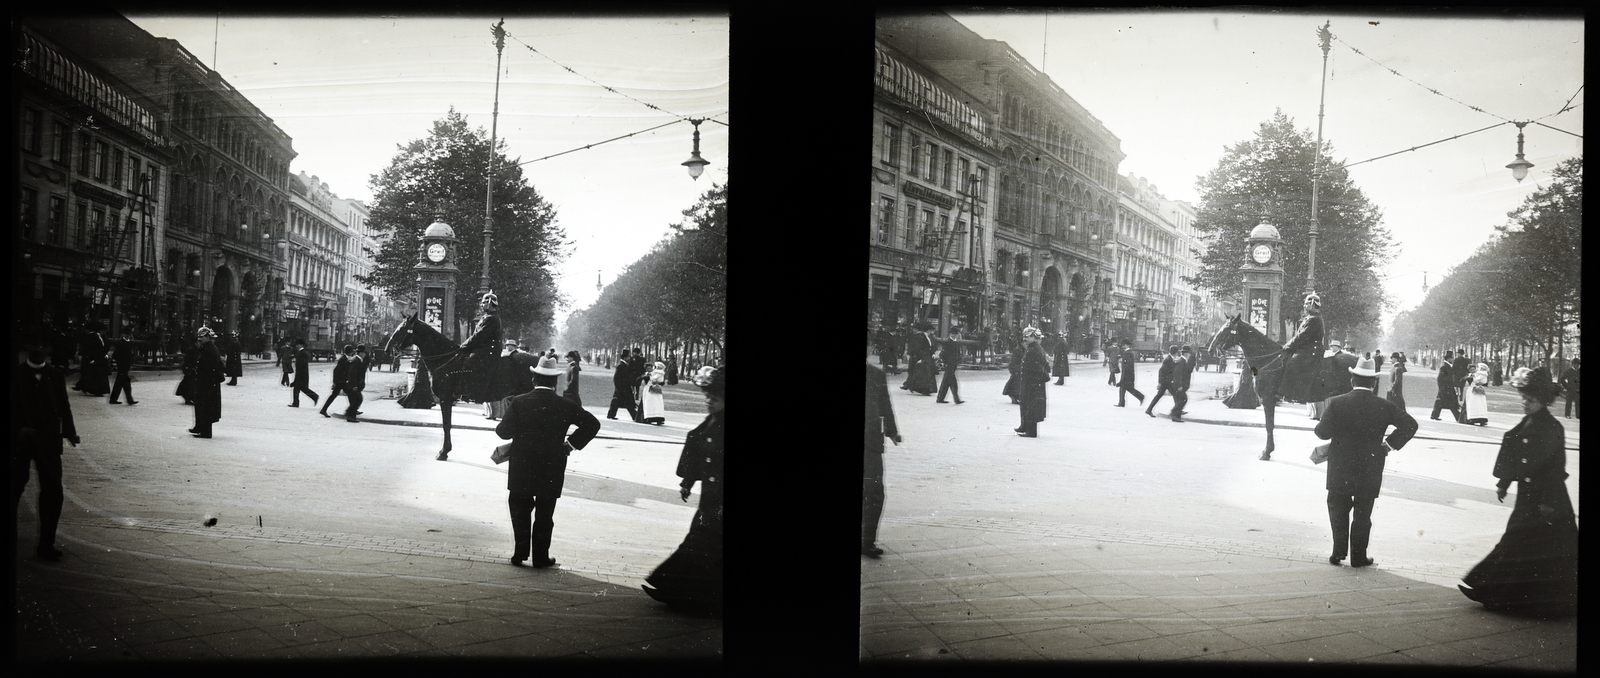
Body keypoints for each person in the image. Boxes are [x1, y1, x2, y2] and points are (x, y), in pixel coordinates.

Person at [1457, 366, 1576, 617]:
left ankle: (1498, 593)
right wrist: (1504, 482)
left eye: (1529, 399)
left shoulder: (1553, 427)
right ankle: (1489, 590)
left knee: (1528, 545)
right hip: (1529, 494)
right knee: (1516, 542)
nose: (1524, 402)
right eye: (1524, 397)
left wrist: (1548, 502)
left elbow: (1556, 468)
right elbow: (1512, 445)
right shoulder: (1529, 421)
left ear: (1542, 401)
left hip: (1547, 497)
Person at [494, 354, 601, 570]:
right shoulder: (566, 405)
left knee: (519, 508)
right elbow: (593, 424)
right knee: (545, 512)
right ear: (555, 382)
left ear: (534, 379)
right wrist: (570, 445)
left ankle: (519, 553)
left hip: (522, 463)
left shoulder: (519, 401)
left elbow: (502, 432)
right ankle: (541, 557)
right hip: (552, 464)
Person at [1313, 356, 1419, 568]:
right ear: (1373, 383)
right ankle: (1359, 557)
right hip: (1370, 465)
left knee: (1337, 508)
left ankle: (1338, 552)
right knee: (1363, 512)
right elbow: (1411, 424)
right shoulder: (1384, 406)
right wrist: (1389, 444)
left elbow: (1321, 433)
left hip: (1340, 464)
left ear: (1352, 380)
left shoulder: (1337, 402)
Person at [644, 365, 725, 614]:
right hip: (712, 499)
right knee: (700, 543)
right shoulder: (713, 421)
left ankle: (681, 592)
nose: (708, 400)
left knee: (705, 545)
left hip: (718, 502)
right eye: (707, 395)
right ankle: (676, 590)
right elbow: (696, 441)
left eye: (714, 397)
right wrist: (688, 480)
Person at [13, 330, 81, 560]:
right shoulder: (16, 374)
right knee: (13, 488)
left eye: (44, 345)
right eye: (35, 343)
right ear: (26, 344)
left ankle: (46, 544)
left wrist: (70, 432)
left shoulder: (55, 375)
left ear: (50, 349)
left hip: (49, 441)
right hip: (19, 443)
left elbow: (63, 406)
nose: (39, 349)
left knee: (53, 491)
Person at [863, 362, 899, 558]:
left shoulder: (876, 374)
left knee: (874, 492)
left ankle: (867, 541)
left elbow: (885, 403)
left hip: (871, 443)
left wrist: (892, 431)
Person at [1278, 293, 1327, 404]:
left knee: (1293, 363)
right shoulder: (1310, 318)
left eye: (1306, 304)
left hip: (1311, 350)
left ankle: (1290, 394)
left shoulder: (1314, 319)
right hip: (1306, 348)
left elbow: (1302, 337)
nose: (1304, 306)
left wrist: (1287, 346)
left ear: (1313, 304)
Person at [459, 291, 505, 404]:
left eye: (484, 303)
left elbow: (479, 336)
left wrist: (464, 345)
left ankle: (469, 393)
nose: (482, 305)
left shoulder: (491, 318)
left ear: (489, 303)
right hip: (484, 349)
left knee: (469, 362)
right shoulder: (488, 317)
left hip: (488, 351)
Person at [189, 327, 225, 438]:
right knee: (202, 406)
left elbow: (211, 367)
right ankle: (200, 427)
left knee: (206, 407)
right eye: (199, 337)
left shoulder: (209, 349)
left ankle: (205, 431)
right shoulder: (207, 347)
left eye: (202, 337)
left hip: (207, 383)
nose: (199, 339)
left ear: (207, 337)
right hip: (206, 383)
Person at [1015, 327, 1050, 437]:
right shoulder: (1033, 347)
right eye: (1024, 336)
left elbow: (1039, 368)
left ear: (1033, 337)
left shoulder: (1034, 349)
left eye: (1028, 336)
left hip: (1032, 384)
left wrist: (1038, 379)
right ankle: (1025, 426)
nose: (1025, 339)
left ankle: (1031, 431)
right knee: (1027, 405)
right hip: (1031, 383)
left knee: (1030, 407)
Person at [320, 345, 357, 419]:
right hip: (341, 381)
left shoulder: (345, 358)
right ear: (350, 352)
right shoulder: (343, 359)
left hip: (341, 381)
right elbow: (336, 371)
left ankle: (324, 409)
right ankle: (352, 410)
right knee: (349, 394)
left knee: (334, 396)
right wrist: (335, 382)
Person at [902, 321, 937, 396]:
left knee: (927, 374)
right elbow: (919, 348)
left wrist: (933, 353)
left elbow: (931, 346)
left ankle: (927, 389)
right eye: (931, 330)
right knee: (923, 375)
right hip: (923, 357)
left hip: (928, 357)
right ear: (928, 330)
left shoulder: (929, 337)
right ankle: (925, 390)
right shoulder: (920, 337)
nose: (932, 331)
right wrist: (920, 358)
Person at [606, 346, 642, 422]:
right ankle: (635, 417)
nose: (630, 358)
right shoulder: (621, 366)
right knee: (627, 402)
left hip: (623, 388)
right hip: (622, 388)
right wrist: (619, 387)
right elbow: (616, 378)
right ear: (625, 357)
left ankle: (611, 415)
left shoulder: (624, 365)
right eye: (628, 357)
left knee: (618, 402)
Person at [1145, 345, 1179, 418]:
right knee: (1175, 394)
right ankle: (1177, 409)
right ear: (1176, 352)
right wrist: (1160, 382)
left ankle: (1149, 409)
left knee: (1161, 396)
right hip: (1166, 382)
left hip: (1166, 381)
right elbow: (1161, 371)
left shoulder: (1170, 359)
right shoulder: (1168, 360)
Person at [1431, 350, 1461, 422]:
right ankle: (1459, 417)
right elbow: (1440, 379)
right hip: (1446, 388)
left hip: (1446, 388)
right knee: (1451, 402)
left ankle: (1434, 415)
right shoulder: (1445, 367)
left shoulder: (1447, 366)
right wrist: (1443, 388)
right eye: (1452, 358)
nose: (1453, 359)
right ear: (1448, 359)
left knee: (1440, 402)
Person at [107, 337, 138, 406]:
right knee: (125, 384)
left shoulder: (123, 342)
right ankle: (129, 399)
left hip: (123, 366)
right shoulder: (122, 343)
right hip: (123, 366)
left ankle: (114, 399)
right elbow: (117, 354)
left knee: (119, 383)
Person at [934, 334, 965, 405]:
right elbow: (943, 354)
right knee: (953, 383)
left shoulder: (953, 342)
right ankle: (956, 399)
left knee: (946, 382)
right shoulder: (949, 342)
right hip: (950, 365)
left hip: (952, 365)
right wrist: (946, 362)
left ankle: (940, 398)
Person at [289, 338, 319, 408]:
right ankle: (296, 403)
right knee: (299, 388)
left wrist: (298, 375)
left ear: (300, 345)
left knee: (302, 388)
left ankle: (314, 396)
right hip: (302, 373)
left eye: (297, 345)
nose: (296, 346)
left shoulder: (302, 353)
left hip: (301, 374)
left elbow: (302, 365)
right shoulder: (302, 352)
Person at [1115, 338, 1144, 408]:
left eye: (1124, 345)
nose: (1122, 346)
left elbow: (1128, 365)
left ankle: (1141, 397)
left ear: (1127, 345)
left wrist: (1124, 374)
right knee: (1124, 388)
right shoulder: (1126, 353)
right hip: (1127, 373)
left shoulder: (1129, 353)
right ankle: (1121, 403)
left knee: (1128, 388)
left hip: (1128, 374)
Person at [1170, 345, 1194, 422]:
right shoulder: (1181, 361)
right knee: (1183, 399)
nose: (1190, 355)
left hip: (1182, 385)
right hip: (1179, 385)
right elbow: (1177, 374)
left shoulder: (1183, 361)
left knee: (1181, 400)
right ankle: (1174, 413)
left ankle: (1176, 417)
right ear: (1186, 354)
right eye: (1189, 353)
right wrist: (1179, 385)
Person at [641, 361, 668, 425]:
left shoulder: (657, 373)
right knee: (657, 403)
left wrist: (649, 376)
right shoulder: (658, 373)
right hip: (656, 389)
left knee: (651, 403)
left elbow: (653, 379)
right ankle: (657, 417)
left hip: (652, 389)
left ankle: (651, 417)